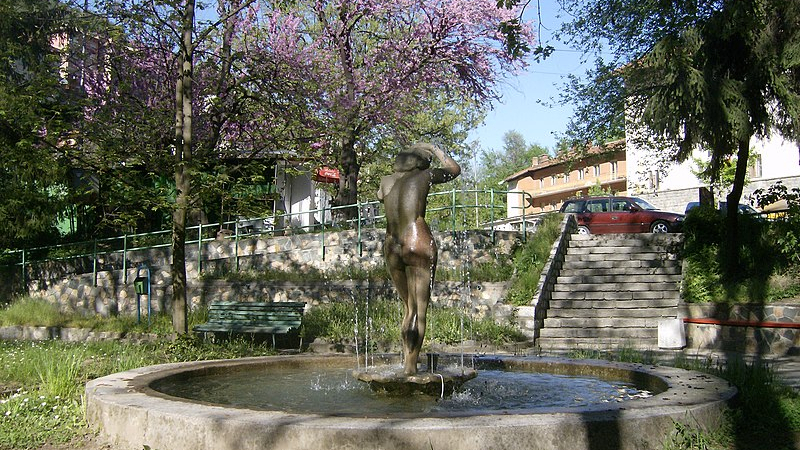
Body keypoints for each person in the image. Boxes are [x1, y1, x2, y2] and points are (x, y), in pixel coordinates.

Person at [377, 143, 461, 375]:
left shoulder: (385, 181)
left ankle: (407, 361)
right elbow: (454, 169)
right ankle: (410, 368)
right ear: (422, 162)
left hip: (392, 245)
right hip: (418, 240)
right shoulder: (425, 176)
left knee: (407, 308)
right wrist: (434, 148)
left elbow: (380, 197)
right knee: (418, 311)